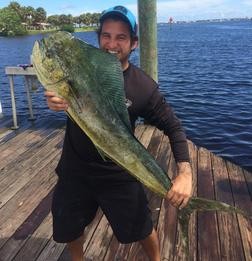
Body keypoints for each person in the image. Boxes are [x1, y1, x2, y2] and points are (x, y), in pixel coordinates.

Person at [45, 5, 192, 261]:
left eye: (121, 37)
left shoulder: (143, 87)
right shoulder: (79, 71)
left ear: (134, 43)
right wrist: (54, 101)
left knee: (142, 229)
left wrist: (185, 174)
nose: (112, 44)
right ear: (99, 37)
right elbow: (59, 90)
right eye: (106, 35)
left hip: (119, 174)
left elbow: (174, 126)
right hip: (74, 170)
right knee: (70, 229)